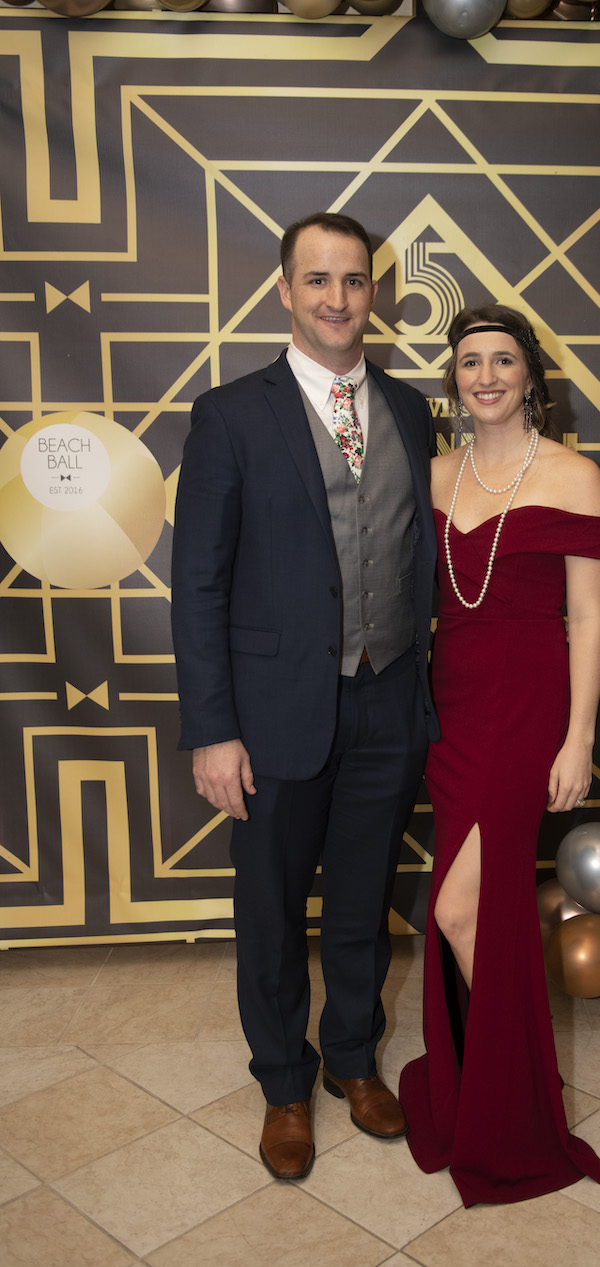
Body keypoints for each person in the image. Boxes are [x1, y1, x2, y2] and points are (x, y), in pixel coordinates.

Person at [171, 212, 438, 1181]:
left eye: (354, 280)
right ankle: (284, 1082)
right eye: (317, 279)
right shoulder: (229, 414)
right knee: (272, 910)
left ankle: (352, 1060)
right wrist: (213, 731)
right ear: (285, 290)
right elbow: (197, 581)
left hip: (387, 697)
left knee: (363, 900)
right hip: (274, 709)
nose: (337, 298)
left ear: (375, 293)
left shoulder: (409, 409)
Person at [399, 303, 600, 1207]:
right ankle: (492, 1081)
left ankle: (516, 1097)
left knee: (456, 911)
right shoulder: (431, 473)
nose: (484, 376)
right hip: (447, 708)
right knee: (474, 908)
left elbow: (587, 619)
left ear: (530, 375)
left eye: (501, 360)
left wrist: (578, 737)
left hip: (528, 709)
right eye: (468, 362)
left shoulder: (574, 476)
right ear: (453, 380)